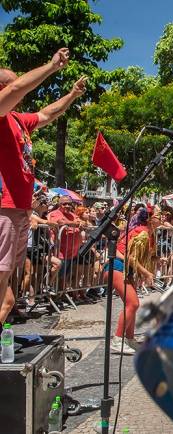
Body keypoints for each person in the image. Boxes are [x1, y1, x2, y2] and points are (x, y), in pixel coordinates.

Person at [0, 47, 86, 322]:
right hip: (4, 208)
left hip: (19, 209)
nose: (20, 87)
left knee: (7, 294)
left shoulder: (18, 120)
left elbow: (48, 114)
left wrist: (72, 95)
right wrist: (51, 67)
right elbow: (17, 88)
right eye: (12, 83)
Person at [104, 207, 160, 354]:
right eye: (159, 216)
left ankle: (129, 339)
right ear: (149, 219)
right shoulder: (142, 232)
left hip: (124, 269)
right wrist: (146, 273)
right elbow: (131, 257)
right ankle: (117, 340)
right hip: (117, 267)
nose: (162, 218)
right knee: (133, 303)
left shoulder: (147, 232)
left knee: (132, 304)